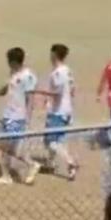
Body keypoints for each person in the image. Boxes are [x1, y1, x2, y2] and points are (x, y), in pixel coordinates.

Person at [0, 47, 41, 185]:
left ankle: (29, 165)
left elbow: (30, 99)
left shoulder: (28, 76)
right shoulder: (13, 72)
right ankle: (7, 175)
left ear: (14, 61)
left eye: (9, 61)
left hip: (17, 117)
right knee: (4, 146)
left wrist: (28, 119)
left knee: (9, 147)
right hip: (7, 114)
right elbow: (7, 88)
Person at [34, 44, 79, 180]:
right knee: (54, 140)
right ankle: (51, 163)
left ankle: (70, 163)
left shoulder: (57, 73)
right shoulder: (67, 70)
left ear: (54, 54)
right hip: (65, 110)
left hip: (58, 112)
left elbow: (58, 93)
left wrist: (40, 92)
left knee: (51, 142)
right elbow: (73, 90)